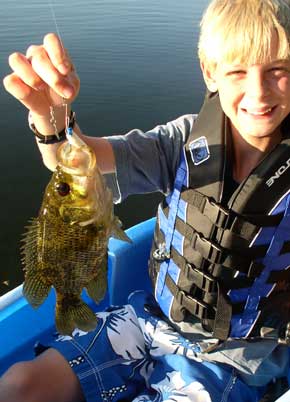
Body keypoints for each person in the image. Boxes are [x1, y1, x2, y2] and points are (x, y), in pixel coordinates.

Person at [2, 0, 290, 400]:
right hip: (148, 321)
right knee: (19, 386)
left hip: (235, 362)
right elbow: (77, 161)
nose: (258, 92)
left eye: (279, 71)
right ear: (211, 73)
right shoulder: (183, 141)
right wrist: (50, 118)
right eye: (238, 71)